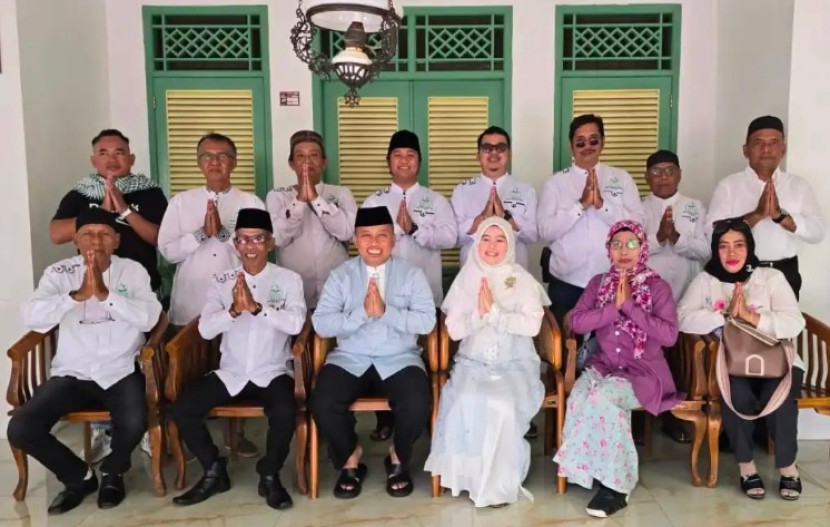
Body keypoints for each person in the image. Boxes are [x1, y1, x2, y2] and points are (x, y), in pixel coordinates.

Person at [9, 207, 162, 514]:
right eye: (87, 235)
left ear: (116, 240)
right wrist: (75, 296)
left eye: (104, 234)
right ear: (75, 242)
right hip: (72, 371)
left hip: (120, 368)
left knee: (133, 423)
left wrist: (106, 296)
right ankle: (78, 477)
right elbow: (32, 316)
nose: (96, 241)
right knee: (22, 427)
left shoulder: (132, 271)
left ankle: (113, 473)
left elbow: (149, 318)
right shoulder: (58, 273)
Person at [170, 209, 306, 509]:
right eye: (244, 240)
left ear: (270, 243)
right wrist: (233, 310)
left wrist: (257, 308)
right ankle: (213, 469)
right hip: (231, 371)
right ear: (235, 244)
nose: (250, 246)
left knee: (284, 413)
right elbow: (205, 329)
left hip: (273, 371)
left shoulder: (288, 279)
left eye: (258, 239)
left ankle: (269, 474)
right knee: (182, 410)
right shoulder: (222, 280)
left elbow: (296, 324)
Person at [49, 129, 168, 463]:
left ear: (130, 158)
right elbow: (56, 233)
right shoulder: (80, 193)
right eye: (104, 152)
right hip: (88, 289)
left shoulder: (148, 191)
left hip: (137, 286)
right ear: (94, 159)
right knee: (96, 354)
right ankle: (105, 428)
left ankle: (139, 425)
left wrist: (126, 213)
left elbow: (160, 238)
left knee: (137, 359)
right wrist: (98, 214)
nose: (112, 158)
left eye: (120, 152)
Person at [553, 220, 681, 518]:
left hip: (644, 373)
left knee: (603, 399)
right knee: (580, 397)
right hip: (605, 366)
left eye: (632, 244)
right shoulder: (599, 283)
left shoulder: (656, 286)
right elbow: (576, 322)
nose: (625, 251)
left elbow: (669, 335)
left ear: (643, 248)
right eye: (617, 244)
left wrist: (630, 308)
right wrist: (612, 308)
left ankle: (617, 486)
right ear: (608, 250)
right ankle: (594, 469)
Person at [310, 206, 436, 499]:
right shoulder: (340, 276)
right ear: (355, 239)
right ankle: (350, 457)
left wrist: (386, 311)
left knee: (418, 402)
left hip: (399, 357)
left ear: (393, 239)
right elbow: (322, 323)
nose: (374, 242)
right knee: (323, 402)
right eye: (366, 236)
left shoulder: (411, 275)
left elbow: (427, 321)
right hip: (350, 358)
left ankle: (398, 457)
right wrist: (362, 314)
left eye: (382, 235)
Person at [678, 217, 805, 501]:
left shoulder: (771, 278)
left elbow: (794, 322)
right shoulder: (706, 280)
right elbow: (682, 318)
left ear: (750, 248)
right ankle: (747, 468)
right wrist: (723, 316)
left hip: (778, 362)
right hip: (733, 363)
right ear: (715, 249)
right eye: (723, 247)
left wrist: (751, 317)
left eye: (738, 245)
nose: (731, 253)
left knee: (781, 400)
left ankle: (788, 468)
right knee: (736, 395)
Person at [425, 217, 548, 508]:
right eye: (486, 239)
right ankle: (470, 478)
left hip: (515, 363)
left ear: (510, 244)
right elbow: (454, 330)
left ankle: (498, 483)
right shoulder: (466, 278)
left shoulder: (521, 279)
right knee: (467, 399)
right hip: (473, 363)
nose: (492, 247)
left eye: (500, 239)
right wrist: (479, 316)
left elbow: (532, 326)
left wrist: (495, 313)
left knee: (501, 404)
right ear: (477, 242)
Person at [158, 132, 265, 457]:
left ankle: (237, 435)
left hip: (236, 304)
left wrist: (220, 232)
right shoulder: (180, 202)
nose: (215, 162)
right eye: (207, 156)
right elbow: (167, 251)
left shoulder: (250, 202)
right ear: (198, 162)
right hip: (191, 301)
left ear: (233, 162)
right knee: (189, 372)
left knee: (232, 366)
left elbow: (259, 250)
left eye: (222, 156)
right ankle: (193, 437)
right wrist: (200, 234)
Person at [363, 130, 457, 442]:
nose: (404, 161)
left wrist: (415, 229)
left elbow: (450, 238)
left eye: (410, 156)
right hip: (383, 294)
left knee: (429, 357)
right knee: (382, 352)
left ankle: (426, 414)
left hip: (424, 292)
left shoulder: (435, 199)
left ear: (419, 161)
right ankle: (385, 418)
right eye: (398, 156)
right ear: (389, 161)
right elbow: (364, 242)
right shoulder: (375, 200)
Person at [538, 114, 645, 328]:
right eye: (580, 141)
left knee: (609, 350)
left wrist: (602, 205)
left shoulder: (621, 178)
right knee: (563, 351)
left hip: (614, 280)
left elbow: (638, 226)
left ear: (603, 143)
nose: (587, 146)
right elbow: (545, 231)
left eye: (593, 140)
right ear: (571, 146)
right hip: (566, 282)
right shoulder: (556, 183)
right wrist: (580, 205)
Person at [707, 115, 825, 299]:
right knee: (738, 326)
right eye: (758, 143)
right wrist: (757, 214)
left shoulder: (799, 186)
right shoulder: (728, 186)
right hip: (739, 273)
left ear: (783, 149)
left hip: (785, 273)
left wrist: (781, 217)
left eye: (774, 143)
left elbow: (818, 232)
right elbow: (711, 233)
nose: (766, 149)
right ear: (746, 150)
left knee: (785, 327)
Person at [266, 130, 357, 309]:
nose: (307, 162)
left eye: (314, 155)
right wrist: (299, 201)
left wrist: (316, 200)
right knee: (298, 335)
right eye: (300, 156)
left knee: (334, 335)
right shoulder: (277, 196)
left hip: (336, 285)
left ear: (324, 162)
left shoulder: (341, 193)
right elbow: (278, 237)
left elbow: (347, 232)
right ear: (291, 163)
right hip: (293, 289)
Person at [451, 126, 538, 269]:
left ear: (510, 154)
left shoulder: (526, 190)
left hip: (514, 272)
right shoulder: (462, 190)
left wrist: (506, 217)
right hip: (473, 272)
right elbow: (454, 237)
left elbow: (533, 235)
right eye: (486, 148)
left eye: (501, 148)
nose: (493, 153)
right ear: (478, 155)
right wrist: (482, 218)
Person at [641, 150, 710, 301]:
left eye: (670, 170)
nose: (663, 176)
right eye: (656, 171)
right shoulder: (639, 208)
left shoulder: (695, 206)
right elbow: (629, 252)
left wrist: (676, 238)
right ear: (647, 177)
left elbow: (706, 251)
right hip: (648, 296)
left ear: (679, 174)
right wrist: (658, 238)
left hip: (688, 295)